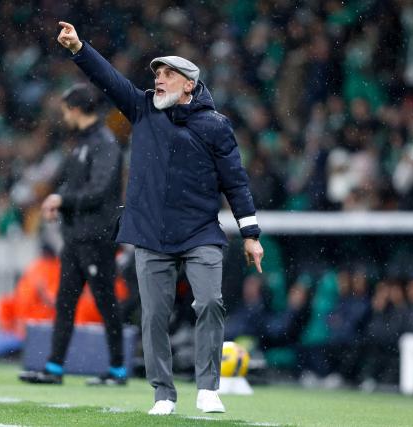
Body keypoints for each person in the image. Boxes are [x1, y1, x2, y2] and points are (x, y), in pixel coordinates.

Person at [56, 22, 264, 415]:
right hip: (150, 233)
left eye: (167, 74)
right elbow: (109, 80)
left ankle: (208, 387)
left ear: (189, 85)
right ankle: (163, 394)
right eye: (156, 74)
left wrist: (250, 233)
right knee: (153, 316)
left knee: (210, 302)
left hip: (201, 231)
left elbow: (236, 182)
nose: (159, 80)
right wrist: (79, 47)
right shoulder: (142, 109)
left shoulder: (216, 126)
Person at [18, 83, 127, 386]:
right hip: (76, 237)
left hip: (97, 238)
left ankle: (118, 369)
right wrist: (59, 202)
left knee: (106, 302)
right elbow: (72, 185)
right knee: (65, 303)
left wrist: (63, 200)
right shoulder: (80, 144)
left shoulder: (105, 143)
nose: (63, 115)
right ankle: (54, 367)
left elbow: (99, 191)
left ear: (77, 109)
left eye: (65, 109)